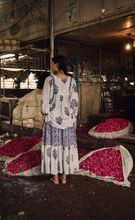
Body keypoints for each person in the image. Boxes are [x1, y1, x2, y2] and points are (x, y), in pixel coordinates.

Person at [41, 55, 79, 184]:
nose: (51, 66)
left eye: (52, 64)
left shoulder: (49, 80)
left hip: (52, 121)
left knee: (54, 147)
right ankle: (64, 178)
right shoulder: (72, 82)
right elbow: (75, 103)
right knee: (65, 147)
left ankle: (55, 177)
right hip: (68, 120)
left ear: (57, 65)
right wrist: (74, 118)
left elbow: (45, 102)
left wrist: (43, 115)